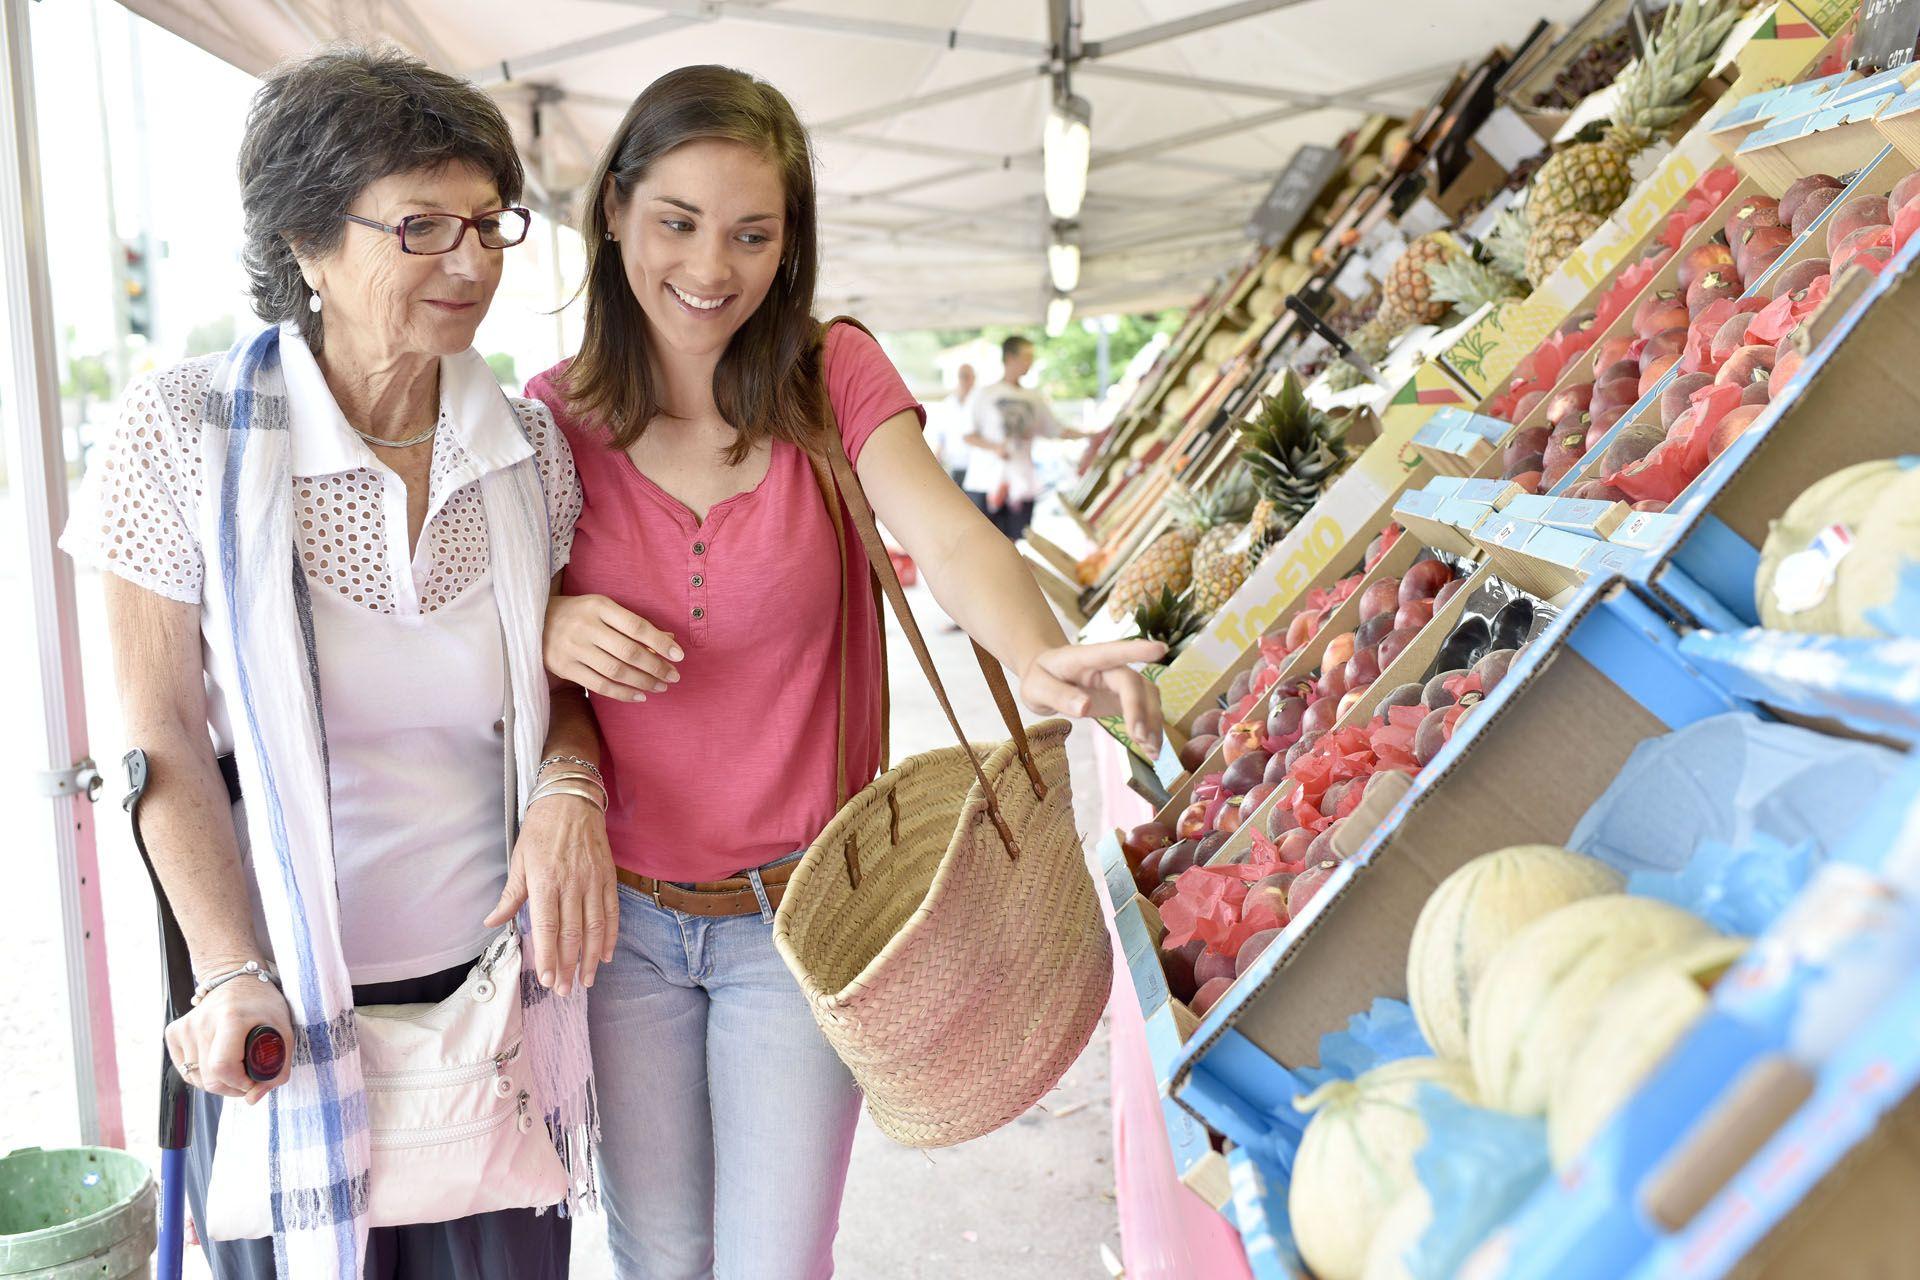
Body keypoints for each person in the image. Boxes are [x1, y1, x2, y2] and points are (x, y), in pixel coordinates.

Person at [525, 64, 1165, 1280]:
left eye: (753, 233)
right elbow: (488, 644)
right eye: (678, 222)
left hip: (804, 916)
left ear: (791, 242)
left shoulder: (833, 378)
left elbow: (953, 528)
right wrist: (550, 629)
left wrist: (1035, 649)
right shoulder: (546, 422)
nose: (713, 267)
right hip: (622, 928)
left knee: (775, 1261)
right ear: (612, 211)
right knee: (659, 1256)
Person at [61, 47, 605, 1278]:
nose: (471, 261)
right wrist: (231, 966)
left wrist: (571, 787)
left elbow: (560, 693)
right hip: (280, 1020)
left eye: (487, 221)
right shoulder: (181, 434)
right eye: (420, 226)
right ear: (305, 246)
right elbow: (158, 741)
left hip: (493, 1012)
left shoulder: (525, 449)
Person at [962, 335, 1088, 541]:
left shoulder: (1033, 398)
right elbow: (967, 435)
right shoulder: (984, 394)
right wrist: (994, 447)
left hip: (1022, 482)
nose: (1030, 362)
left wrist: (1091, 434)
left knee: (1016, 542)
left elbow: (1056, 430)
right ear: (1010, 358)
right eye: (1026, 356)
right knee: (985, 543)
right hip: (985, 482)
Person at [923, 361, 976, 488]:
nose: (965, 380)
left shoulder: (979, 402)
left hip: (975, 465)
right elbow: (942, 436)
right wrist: (936, 459)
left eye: (968, 376)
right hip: (954, 463)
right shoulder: (948, 404)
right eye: (962, 376)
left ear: (974, 378)